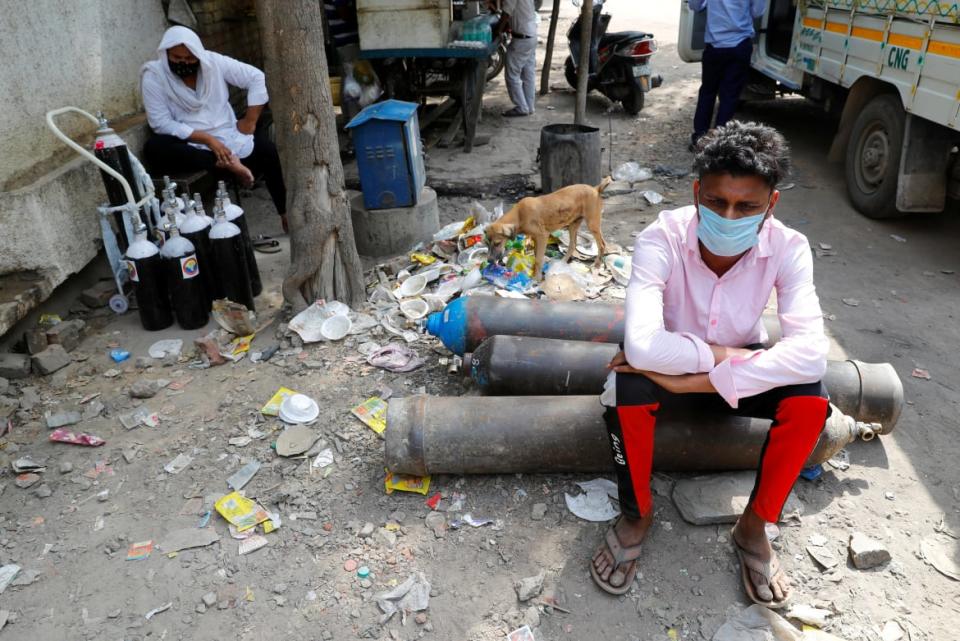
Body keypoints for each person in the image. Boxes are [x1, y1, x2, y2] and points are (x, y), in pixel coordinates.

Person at [591, 121, 829, 609]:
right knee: (626, 387)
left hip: (700, 371)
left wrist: (699, 379)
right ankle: (637, 515)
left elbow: (811, 353)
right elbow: (641, 345)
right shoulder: (662, 238)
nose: (729, 215)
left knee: (811, 399)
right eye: (717, 202)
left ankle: (754, 526)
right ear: (697, 192)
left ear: (772, 205)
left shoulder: (789, 247)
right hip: (676, 369)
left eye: (747, 207)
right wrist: (722, 360)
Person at [141, 26, 287, 231]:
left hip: (228, 132)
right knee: (155, 147)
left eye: (190, 59)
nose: (184, 63)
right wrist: (208, 140)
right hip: (190, 140)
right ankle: (229, 165)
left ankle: (285, 212)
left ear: (198, 55)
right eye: (177, 58)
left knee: (268, 150)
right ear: (165, 54)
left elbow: (256, 78)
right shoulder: (154, 75)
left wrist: (249, 121)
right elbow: (160, 122)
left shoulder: (214, 62)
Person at [688, 0, 766, 150]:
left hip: (714, 46)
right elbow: (758, 12)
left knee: (707, 92)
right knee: (729, 96)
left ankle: (699, 138)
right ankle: (719, 142)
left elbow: (695, 6)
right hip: (739, 45)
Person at [495, 0, 539, 117]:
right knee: (528, 73)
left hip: (522, 39)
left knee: (512, 74)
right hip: (531, 35)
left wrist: (499, 29)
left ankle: (521, 107)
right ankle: (529, 106)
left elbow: (506, 13)